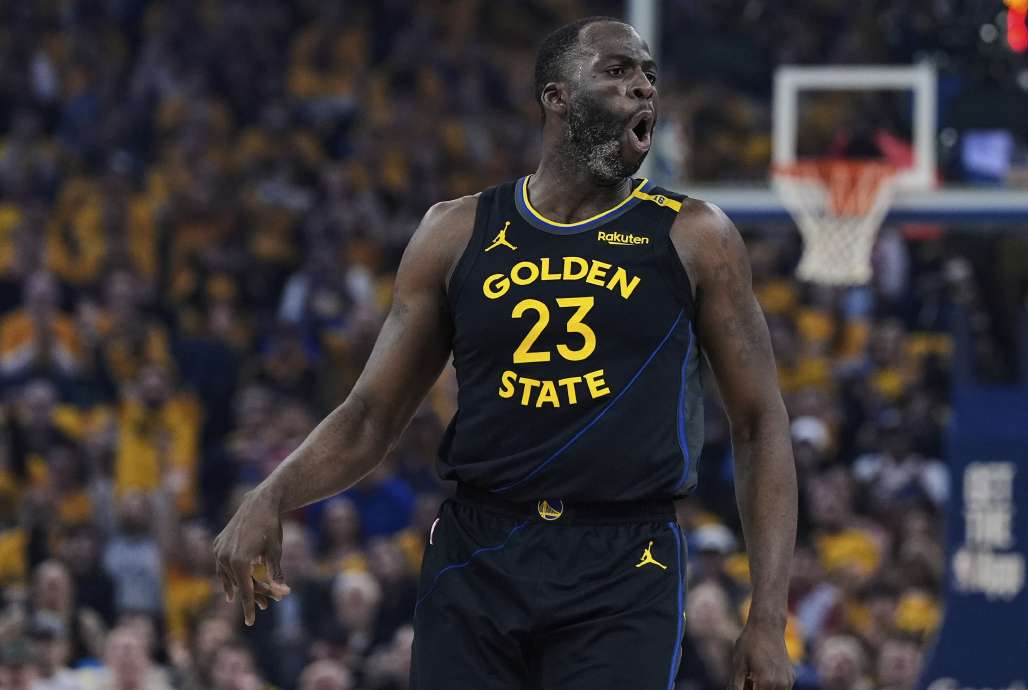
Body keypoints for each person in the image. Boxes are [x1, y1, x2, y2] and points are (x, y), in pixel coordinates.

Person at [213, 16, 797, 690]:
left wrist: (766, 615)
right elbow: (371, 414)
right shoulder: (455, 231)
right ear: (556, 95)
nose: (642, 87)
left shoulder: (695, 235)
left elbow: (760, 423)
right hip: (479, 549)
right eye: (617, 71)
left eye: (649, 78)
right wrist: (273, 493)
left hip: (624, 560)